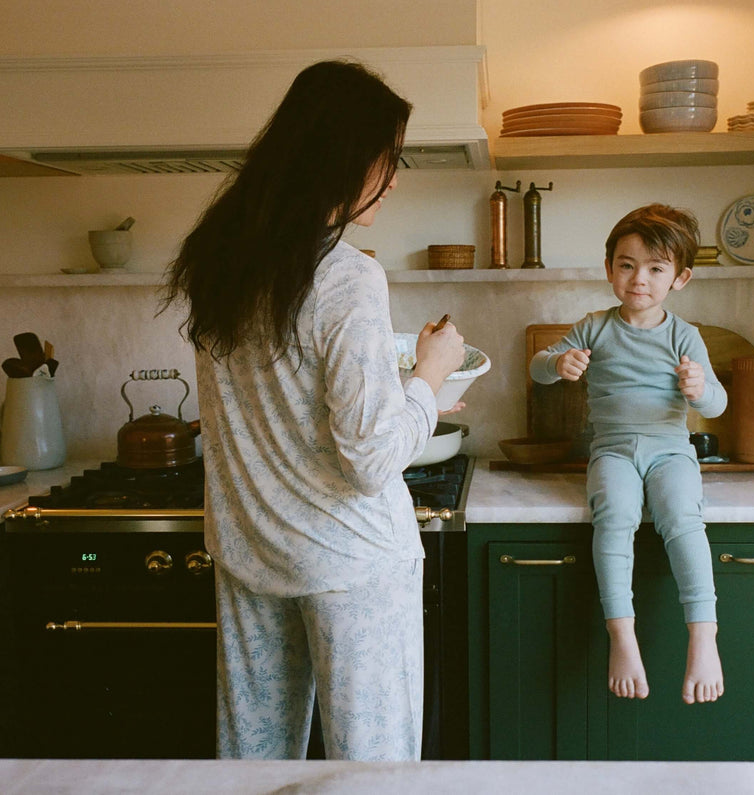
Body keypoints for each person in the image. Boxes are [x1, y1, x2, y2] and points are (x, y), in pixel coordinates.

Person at [162, 59, 465, 760]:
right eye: (387, 159)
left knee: (252, 769)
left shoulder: (221, 263)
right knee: (374, 769)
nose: (393, 178)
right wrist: (431, 376)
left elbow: (286, 405)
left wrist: (416, 389)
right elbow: (369, 461)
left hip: (250, 552)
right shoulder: (347, 274)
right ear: (341, 156)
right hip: (352, 562)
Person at [529, 204, 725, 704]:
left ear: (679, 278)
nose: (639, 278)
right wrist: (560, 361)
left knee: (683, 518)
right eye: (627, 264)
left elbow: (718, 404)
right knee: (614, 516)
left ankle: (703, 635)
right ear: (609, 268)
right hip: (612, 452)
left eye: (656, 268)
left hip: (670, 452)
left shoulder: (685, 335)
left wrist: (700, 388)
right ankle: (622, 635)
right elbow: (537, 366)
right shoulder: (594, 326)